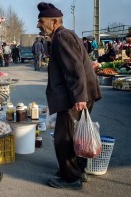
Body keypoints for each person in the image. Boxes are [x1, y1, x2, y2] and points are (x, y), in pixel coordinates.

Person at [36, 2, 101, 190]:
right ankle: (77, 170)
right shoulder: (66, 35)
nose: (38, 25)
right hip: (79, 95)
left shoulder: (62, 37)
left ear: (54, 21)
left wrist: (79, 97)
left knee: (63, 138)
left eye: (41, 21)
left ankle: (71, 178)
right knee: (76, 137)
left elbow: (74, 69)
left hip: (75, 97)